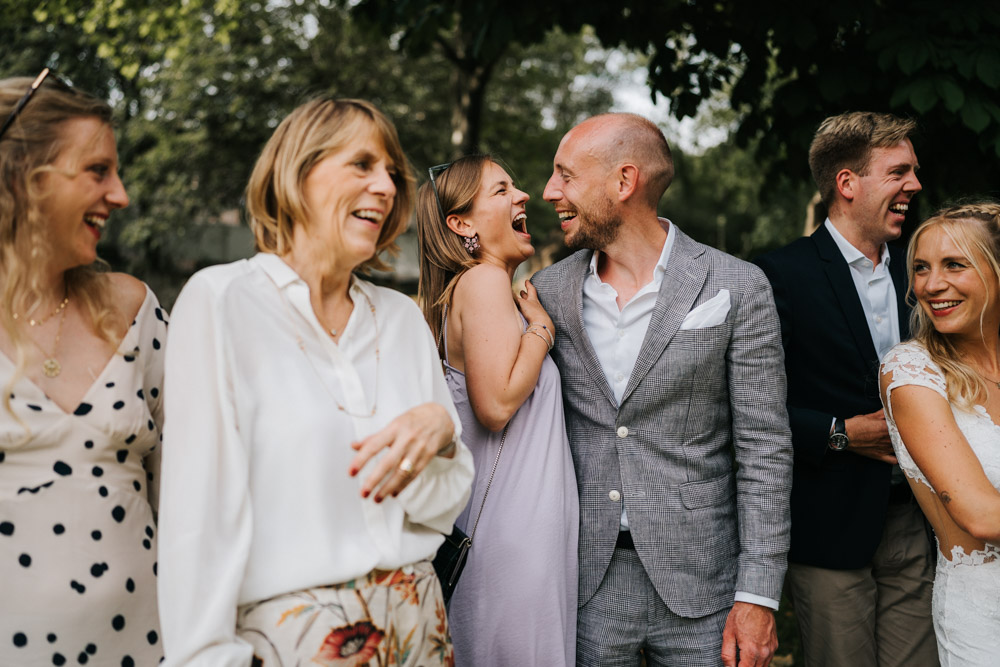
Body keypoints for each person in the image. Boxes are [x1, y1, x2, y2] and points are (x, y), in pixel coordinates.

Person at [156, 98, 474, 666]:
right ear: (296, 174)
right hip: (296, 640)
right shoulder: (221, 302)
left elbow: (441, 509)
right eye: (361, 165)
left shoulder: (401, 319)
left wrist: (442, 432)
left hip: (420, 622)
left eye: (392, 175)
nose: (385, 187)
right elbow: (196, 520)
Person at [532, 112, 793, 667]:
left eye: (565, 175)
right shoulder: (546, 292)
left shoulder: (738, 285)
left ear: (623, 183)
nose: (550, 191)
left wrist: (758, 594)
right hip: (585, 582)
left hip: (705, 588)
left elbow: (764, 448)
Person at [755, 111, 937, 666]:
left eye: (914, 171)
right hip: (828, 527)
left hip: (918, 517)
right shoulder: (777, 276)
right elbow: (749, 409)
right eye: (898, 172)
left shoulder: (925, 271)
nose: (915, 186)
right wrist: (838, 433)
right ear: (847, 183)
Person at [0, 71, 168, 665]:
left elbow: (185, 494)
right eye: (98, 171)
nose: (120, 195)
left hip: (144, 648)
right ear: (23, 180)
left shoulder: (135, 311)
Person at [415, 155, 579, 665]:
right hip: (514, 539)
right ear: (461, 224)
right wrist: (542, 332)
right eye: (501, 190)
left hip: (515, 534)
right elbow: (496, 405)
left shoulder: (472, 289)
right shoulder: (483, 281)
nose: (523, 195)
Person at [880, 202, 1000, 665]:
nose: (931, 285)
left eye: (954, 265)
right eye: (921, 268)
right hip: (984, 620)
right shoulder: (911, 371)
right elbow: (981, 516)